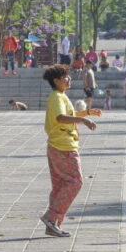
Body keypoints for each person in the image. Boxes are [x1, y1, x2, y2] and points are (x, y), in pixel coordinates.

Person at [39, 64, 96, 237]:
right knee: (75, 182)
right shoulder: (57, 97)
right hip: (63, 147)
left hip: (59, 145)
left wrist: (86, 112)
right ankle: (51, 217)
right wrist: (84, 121)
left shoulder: (60, 96)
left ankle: (52, 224)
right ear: (56, 81)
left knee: (60, 184)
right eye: (65, 77)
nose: (68, 79)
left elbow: (67, 115)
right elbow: (60, 118)